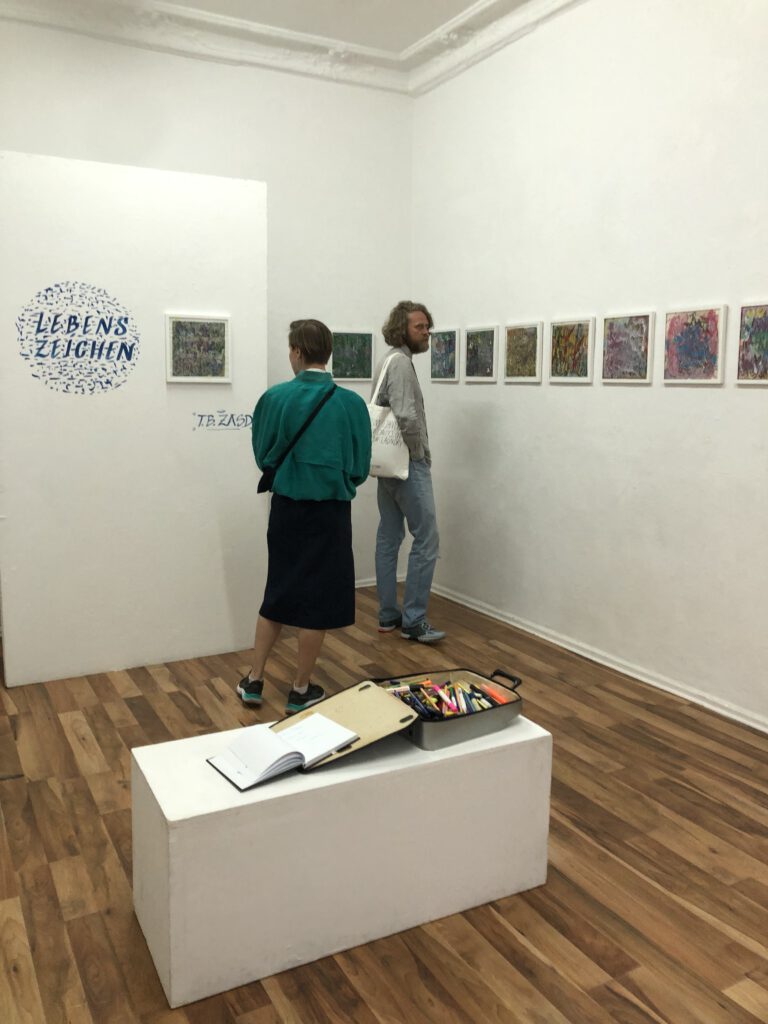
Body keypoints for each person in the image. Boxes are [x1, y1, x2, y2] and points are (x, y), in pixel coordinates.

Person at [237, 319, 371, 712]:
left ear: (296, 351)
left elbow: (263, 455)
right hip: (331, 512)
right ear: (326, 353)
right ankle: (300, 688)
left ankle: (254, 680)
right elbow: (360, 465)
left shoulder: (274, 398)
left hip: (287, 509)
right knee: (318, 601)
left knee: (277, 591)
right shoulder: (351, 404)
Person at [371, 300, 445, 643]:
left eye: (427, 326)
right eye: (419, 327)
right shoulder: (400, 363)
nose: (426, 332)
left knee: (389, 536)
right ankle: (414, 620)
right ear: (402, 329)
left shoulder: (388, 360)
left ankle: (389, 614)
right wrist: (420, 455)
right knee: (427, 538)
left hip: (387, 465)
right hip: (405, 465)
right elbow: (405, 415)